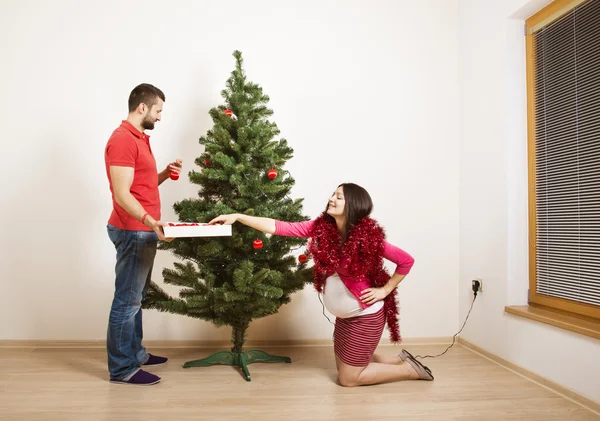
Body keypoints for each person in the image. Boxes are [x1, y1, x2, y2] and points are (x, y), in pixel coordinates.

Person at [209, 183, 433, 387]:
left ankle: (409, 370)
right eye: (333, 194)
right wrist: (237, 216)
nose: (331, 199)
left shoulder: (367, 238)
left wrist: (385, 290)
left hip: (366, 315)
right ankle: (397, 360)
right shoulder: (322, 228)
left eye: (339, 197)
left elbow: (406, 260)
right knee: (344, 366)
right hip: (345, 317)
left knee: (348, 379)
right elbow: (279, 227)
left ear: (353, 205)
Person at [104, 83, 182, 386]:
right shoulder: (123, 140)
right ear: (142, 107)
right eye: (158, 110)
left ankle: (135, 354)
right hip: (133, 230)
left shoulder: (139, 138)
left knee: (136, 298)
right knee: (127, 301)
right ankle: (122, 369)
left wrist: (162, 174)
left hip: (144, 229)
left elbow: (140, 186)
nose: (160, 117)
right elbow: (122, 195)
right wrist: (151, 221)